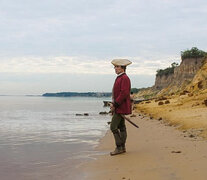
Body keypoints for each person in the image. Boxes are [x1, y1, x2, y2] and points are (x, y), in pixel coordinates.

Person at [110, 59, 132, 156]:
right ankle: (122, 147)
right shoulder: (120, 77)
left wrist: (115, 104)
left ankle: (119, 147)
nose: (115, 68)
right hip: (119, 106)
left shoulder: (124, 78)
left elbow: (124, 93)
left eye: (117, 67)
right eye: (115, 67)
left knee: (113, 127)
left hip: (121, 106)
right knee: (121, 126)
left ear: (122, 68)